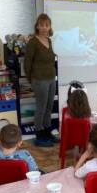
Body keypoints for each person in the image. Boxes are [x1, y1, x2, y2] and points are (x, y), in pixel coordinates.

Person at [24, 13, 58, 147]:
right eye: (41, 25)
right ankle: (39, 135)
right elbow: (27, 63)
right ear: (37, 26)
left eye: (47, 25)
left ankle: (47, 132)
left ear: (50, 27)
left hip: (51, 79)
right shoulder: (33, 42)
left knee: (49, 107)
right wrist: (31, 79)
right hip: (39, 80)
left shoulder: (49, 41)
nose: (44, 28)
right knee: (41, 108)